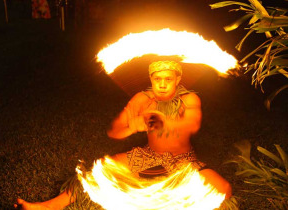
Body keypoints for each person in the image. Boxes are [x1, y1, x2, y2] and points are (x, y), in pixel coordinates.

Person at [16, 60, 232, 209]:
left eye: (168, 79)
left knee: (223, 188)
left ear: (178, 79)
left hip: (183, 161)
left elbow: (191, 125)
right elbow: (115, 131)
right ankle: (48, 206)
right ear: (151, 78)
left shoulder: (189, 99)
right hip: (149, 155)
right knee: (100, 169)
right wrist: (133, 125)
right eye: (158, 79)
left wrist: (163, 122)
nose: (163, 84)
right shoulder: (142, 98)